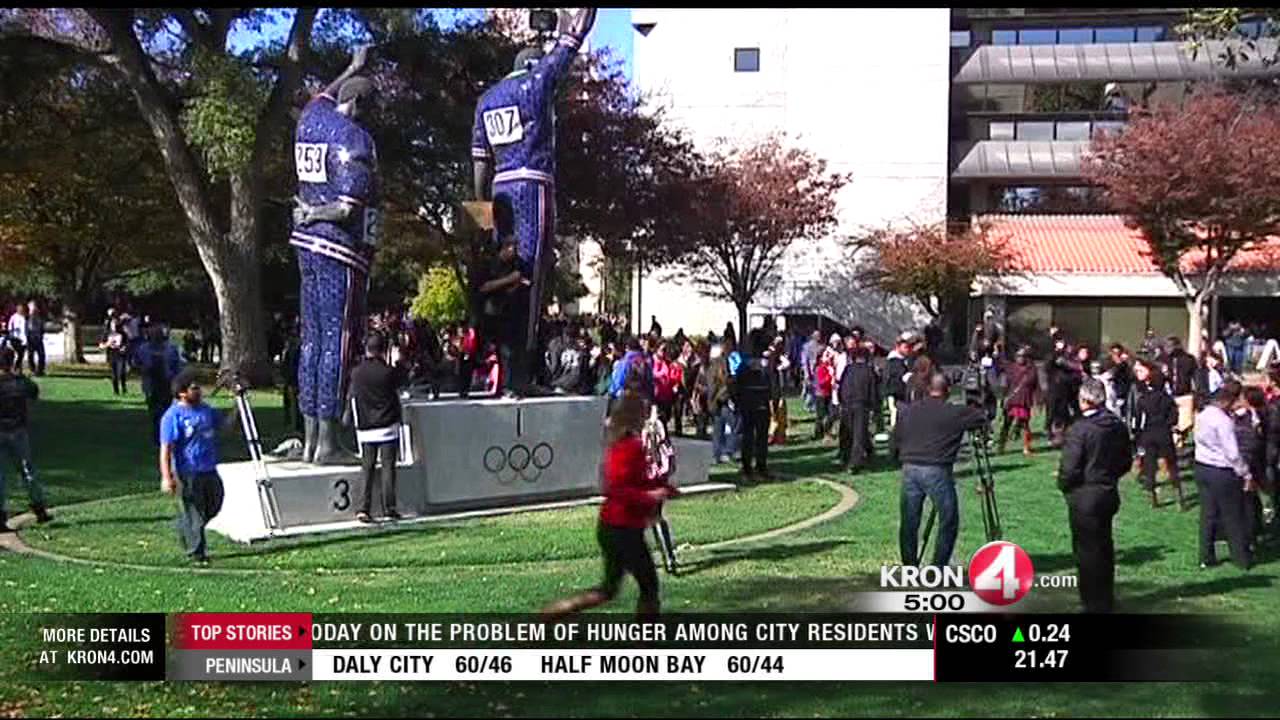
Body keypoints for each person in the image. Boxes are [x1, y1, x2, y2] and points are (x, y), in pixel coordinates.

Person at [290, 45, 379, 463]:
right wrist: (316, 212)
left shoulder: (311, 120)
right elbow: (347, 207)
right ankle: (327, 441)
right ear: (359, 103)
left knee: (312, 340)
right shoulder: (353, 138)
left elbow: (321, 95)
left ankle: (309, 437)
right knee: (337, 342)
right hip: (339, 248)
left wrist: (351, 66)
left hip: (305, 247)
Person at [541, 393, 677, 619]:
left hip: (614, 526)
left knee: (609, 589)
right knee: (648, 586)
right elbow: (617, 489)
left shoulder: (622, 444)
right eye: (643, 412)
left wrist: (662, 487)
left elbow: (634, 482)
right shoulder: (629, 446)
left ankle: (552, 614)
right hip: (622, 527)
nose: (647, 417)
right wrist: (651, 495)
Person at [892, 373, 988, 567]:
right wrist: (977, 398)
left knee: (909, 521)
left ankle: (909, 565)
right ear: (948, 391)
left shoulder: (910, 411)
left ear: (928, 390)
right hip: (936, 470)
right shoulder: (954, 412)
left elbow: (895, 438)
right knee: (948, 519)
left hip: (910, 468)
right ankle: (938, 566)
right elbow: (982, 417)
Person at [1057, 378, 1133, 613]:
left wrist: (1065, 485)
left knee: (1087, 551)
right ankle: (1105, 597)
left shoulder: (1080, 430)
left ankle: (1092, 601)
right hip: (1107, 491)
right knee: (1105, 546)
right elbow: (1125, 461)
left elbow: (1069, 468)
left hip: (1085, 494)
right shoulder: (1117, 425)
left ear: (1084, 400)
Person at [159, 369, 237, 565]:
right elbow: (166, 449)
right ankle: (197, 552)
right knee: (195, 511)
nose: (199, 390)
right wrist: (167, 477)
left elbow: (226, 427)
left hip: (209, 468)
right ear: (182, 393)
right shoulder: (173, 416)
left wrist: (238, 407)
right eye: (194, 388)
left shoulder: (206, 410)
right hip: (188, 472)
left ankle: (187, 528)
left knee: (215, 504)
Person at [1193, 381, 1253, 570]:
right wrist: (1245, 472)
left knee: (1208, 514)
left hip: (1202, 466)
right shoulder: (1223, 421)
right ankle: (1241, 558)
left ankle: (1206, 556)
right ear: (1226, 402)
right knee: (1232, 515)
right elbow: (1232, 453)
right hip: (1222, 470)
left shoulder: (1202, 416)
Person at [348, 333, 406, 524]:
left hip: (365, 427)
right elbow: (403, 380)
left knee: (368, 468)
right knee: (388, 467)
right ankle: (389, 508)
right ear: (383, 350)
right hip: (387, 425)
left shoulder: (356, 373)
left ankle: (363, 508)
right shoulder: (388, 372)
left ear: (367, 349)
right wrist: (398, 362)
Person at [0, 346, 50, 531]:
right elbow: (34, 392)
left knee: (1, 476)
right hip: (18, 430)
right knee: (27, 471)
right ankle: (39, 508)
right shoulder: (20, 382)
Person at [1130, 361, 1185, 510]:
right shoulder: (1168, 399)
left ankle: (1153, 499)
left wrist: (1137, 436)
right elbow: (1174, 418)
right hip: (1164, 433)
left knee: (1150, 466)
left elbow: (1138, 420)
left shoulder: (1143, 399)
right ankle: (1179, 497)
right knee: (1172, 465)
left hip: (1148, 434)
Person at [730, 329, 775, 481]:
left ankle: (756, 467)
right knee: (752, 438)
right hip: (752, 403)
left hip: (755, 403)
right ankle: (750, 468)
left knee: (756, 438)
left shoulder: (750, 363)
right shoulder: (750, 363)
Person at [133, 325, 184, 446]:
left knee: (165, 410)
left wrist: (176, 380)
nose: (156, 337)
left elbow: (177, 366)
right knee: (154, 411)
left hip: (166, 383)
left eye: (158, 335)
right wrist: (143, 369)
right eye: (153, 335)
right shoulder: (143, 349)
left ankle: (166, 435)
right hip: (151, 383)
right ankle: (158, 435)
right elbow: (135, 364)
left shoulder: (171, 349)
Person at [838, 344, 879, 473]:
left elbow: (842, 387)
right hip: (862, 405)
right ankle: (854, 463)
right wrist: (874, 407)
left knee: (847, 433)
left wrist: (841, 401)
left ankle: (844, 456)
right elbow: (872, 390)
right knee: (859, 434)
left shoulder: (848, 369)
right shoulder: (869, 371)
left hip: (847, 404)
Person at [1234, 386, 1268, 541]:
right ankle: (1256, 526)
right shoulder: (1247, 415)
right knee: (1253, 497)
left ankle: (1251, 530)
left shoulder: (1258, 416)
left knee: (1250, 497)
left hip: (1252, 460)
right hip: (1255, 459)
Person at [997, 347, 1039, 456]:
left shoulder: (1031, 369)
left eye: (1023, 356)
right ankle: (1001, 446)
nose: (1020, 358)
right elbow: (1005, 381)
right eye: (1018, 356)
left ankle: (1026, 447)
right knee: (1007, 424)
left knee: (1025, 425)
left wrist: (1038, 400)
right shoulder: (1011, 368)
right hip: (1012, 400)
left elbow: (1034, 385)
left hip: (1024, 400)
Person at [1165, 336, 1198, 446]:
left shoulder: (1189, 359)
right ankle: (1175, 443)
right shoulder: (1165, 360)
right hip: (1169, 395)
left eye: (1171, 347)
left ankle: (1181, 443)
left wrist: (1196, 394)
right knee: (1171, 422)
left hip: (1185, 395)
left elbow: (1196, 377)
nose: (1168, 349)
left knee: (1184, 423)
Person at [883, 333, 914, 431]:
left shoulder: (902, 360)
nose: (907, 350)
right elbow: (901, 377)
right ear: (898, 347)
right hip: (895, 392)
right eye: (905, 347)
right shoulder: (894, 361)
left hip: (898, 392)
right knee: (895, 412)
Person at [813, 349, 836, 441]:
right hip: (821, 394)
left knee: (832, 414)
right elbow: (821, 383)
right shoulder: (820, 368)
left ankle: (827, 431)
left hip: (830, 393)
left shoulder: (830, 367)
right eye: (826, 355)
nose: (829, 357)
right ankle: (819, 433)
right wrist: (830, 376)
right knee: (821, 415)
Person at [801, 330, 823, 413]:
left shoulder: (821, 346)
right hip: (810, 370)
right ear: (813, 336)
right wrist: (807, 372)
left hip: (819, 370)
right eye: (817, 336)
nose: (819, 337)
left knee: (816, 389)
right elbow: (804, 360)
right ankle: (808, 405)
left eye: (819, 335)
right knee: (809, 388)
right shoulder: (807, 346)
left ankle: (814, 406)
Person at [24, 300, 45, 377]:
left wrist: (41, 335)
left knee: (41, 355)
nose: (33, 309)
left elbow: (42, 327)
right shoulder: (26, 317)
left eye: (34, 307)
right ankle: (32, 370)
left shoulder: (40, 317)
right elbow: (25, 328)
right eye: (32, 307)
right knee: (30, 355)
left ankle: (40, 370)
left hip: (38, 338)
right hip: (30, 339)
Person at [5, 304, 27, 374]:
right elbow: (10, 328)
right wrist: (10, 337)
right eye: (19, 309)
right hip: (15, 339)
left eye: (22, 309)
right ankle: (13, 368)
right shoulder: (13, 317)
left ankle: (18, 369)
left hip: (23, 339)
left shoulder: (24, 317)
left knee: (21, 355)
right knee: (17, 354)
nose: (21, 310)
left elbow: (25, 329)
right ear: (17, 309)